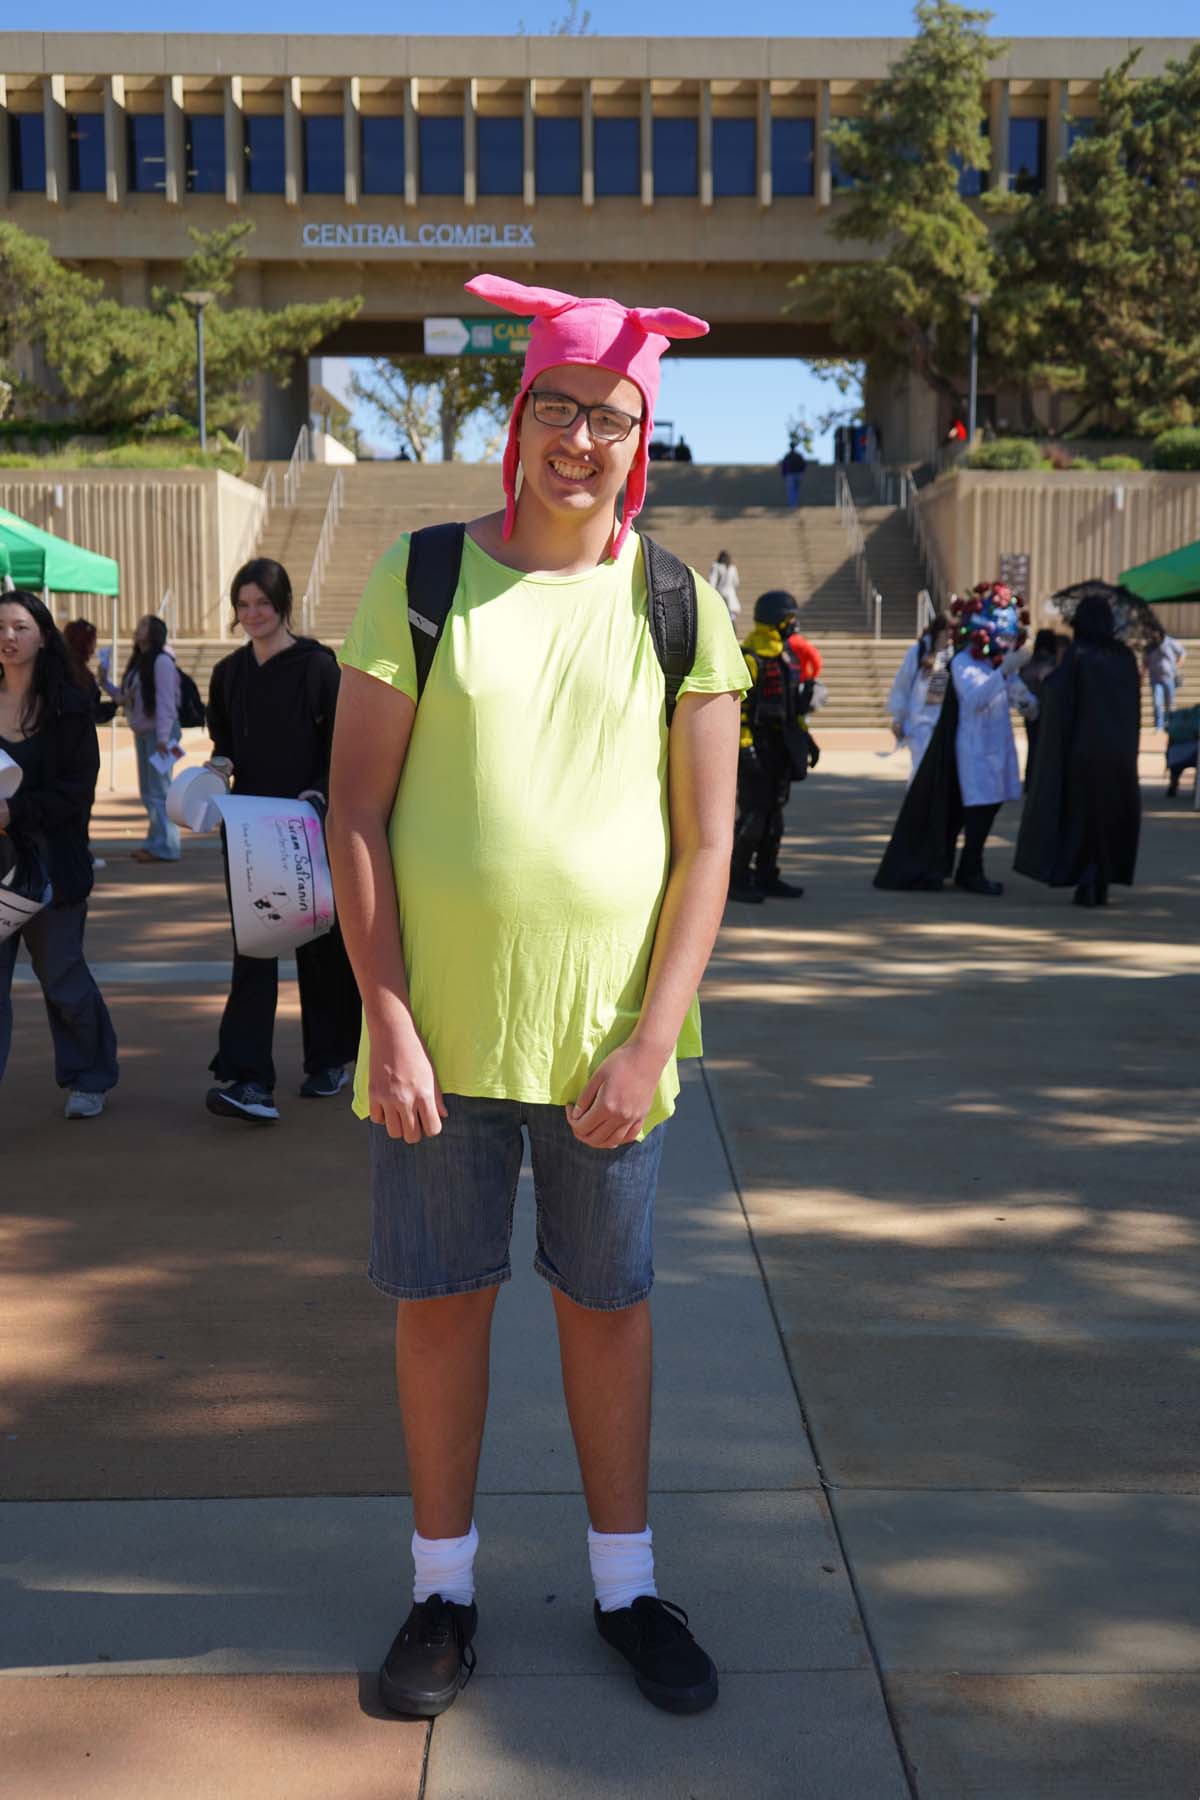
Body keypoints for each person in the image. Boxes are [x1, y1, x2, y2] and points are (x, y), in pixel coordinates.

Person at [329, 271, 748, 1724]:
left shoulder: (681, 604)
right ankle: (442, 1591)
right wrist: (385, 1015)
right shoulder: (424, 577)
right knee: (442, 1308)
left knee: (606, 1312)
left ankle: (627, 1589)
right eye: (558, 408)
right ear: (517, 418)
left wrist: (649, 1039)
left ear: (642, 440)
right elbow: (355, 809)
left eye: (610, 418)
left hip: (606, 1052)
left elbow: (708, 846)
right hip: (438, 1044)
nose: (581, 439)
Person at [204, 558, 361, 1124]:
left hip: (308, 832)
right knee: (254, 949)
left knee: (320, 947)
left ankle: (330, 1058)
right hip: (249, 834)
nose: (253, 614)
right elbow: (224, 745)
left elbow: (343, 748)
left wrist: (318, 794)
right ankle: (248, 1077)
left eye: (262, 604)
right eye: (243, 605)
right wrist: (217, 769)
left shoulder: (318, 668)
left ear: (284, 605)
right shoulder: (228, 673)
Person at [0, 591, 118, 1117]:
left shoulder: (68, 706)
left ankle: (89, 1076)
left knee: (62, 975)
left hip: (51, 861)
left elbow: (76, 791)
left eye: (20, 627)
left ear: (43, 636)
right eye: (0, 627)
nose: (8, 637)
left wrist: (15, 811)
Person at [874, 583, 1037, 896]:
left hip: (993, 746)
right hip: (949, 738)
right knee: (970, 808)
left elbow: (1012, 693)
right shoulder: (959, 662)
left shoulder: (991, 664)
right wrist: (900, 717)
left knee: (989, 808)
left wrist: (1027, 700)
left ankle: (967, 866)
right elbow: (970, 698)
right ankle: (968, 868)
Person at [1015, 594, 1141, 906]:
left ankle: (1086, 881)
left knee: (1083, 820)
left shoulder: (1079, 654)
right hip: (1120, 755)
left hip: (1084, 751)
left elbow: (1059, 694)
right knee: (1111, 818)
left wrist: (1046, 679)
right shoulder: (1124, 656)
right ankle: (1104, 880)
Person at [729, 590, 815, 904]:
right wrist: (745, 748)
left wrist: (806, 739)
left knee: (774, 817)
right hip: (757, 748)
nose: (794, 625)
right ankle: (737, 877)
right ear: (776, 620)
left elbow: (792, 708)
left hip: (781, 748)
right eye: (789, 619)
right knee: (754, 817)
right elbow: (738, 711)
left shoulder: (785, 656)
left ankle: (767, 874)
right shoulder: (751, 658)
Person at [117, 614, 181, 864]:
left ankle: (168, 846)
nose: (138, 627)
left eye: (144, 624)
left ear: (154, 632)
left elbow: (166, 701)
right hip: (146, 733)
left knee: (160, 790)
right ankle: (155, 842)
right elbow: (126, 698)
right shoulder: (140, 662)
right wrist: (104, 683)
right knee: (148, 791)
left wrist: (163, 738)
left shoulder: (162, 661)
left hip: (161, 734)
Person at [63, 619, 118, 870]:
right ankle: (79, 854)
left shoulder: (75, 670)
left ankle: (78, 852)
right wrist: (113, 705)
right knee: (80, 804)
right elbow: (90, 710)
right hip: (79, 748)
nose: (95, 647)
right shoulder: (72, 673)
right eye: (92, 641)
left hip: (77, 746)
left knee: (77, 804)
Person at [887, 613, 951, 781]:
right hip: (920, 722)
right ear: (939, 631)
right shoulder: (918, 651)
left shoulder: (954, 653)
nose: (951, 635)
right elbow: (902, 685)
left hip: (944, 721)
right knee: (921, 771)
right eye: (948, 630)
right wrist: (898, 718)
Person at [1014, 628, 1062, 790]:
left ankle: (1030, 782)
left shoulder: (1029, 663)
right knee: (1045, 749)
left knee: (1033, 747)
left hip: (1030, 710)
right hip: (1046, 711)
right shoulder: (1054, 663)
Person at [1145, 631, 1186, 733]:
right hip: (1155, 680)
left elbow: (1182, 653)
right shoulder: (1150, 645)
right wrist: (1142, 676)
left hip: (1169, 679)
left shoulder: (1171, 642)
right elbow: (1145, 662)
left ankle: (1170, 724)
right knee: (1157, 703)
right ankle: (1159, 726)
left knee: (1170, 704)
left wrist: (1177, 665)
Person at [707, 550, 741, 623]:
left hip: (720, 593)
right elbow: (736, 582)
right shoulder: (732, 568)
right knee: (731, 617)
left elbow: (712, 581)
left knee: (720, 614)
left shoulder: (716, 566)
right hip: (731, 594)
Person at [779, 439, 807, 508]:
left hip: (791, 475)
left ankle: (792, 505)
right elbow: (803, 465)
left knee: (791, 491)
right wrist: (802, 472)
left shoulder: (788, 456)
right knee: (795, 490)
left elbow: (784, 466)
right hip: (796, 474)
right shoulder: (798, 455)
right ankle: (794, 504)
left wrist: (784, 474)